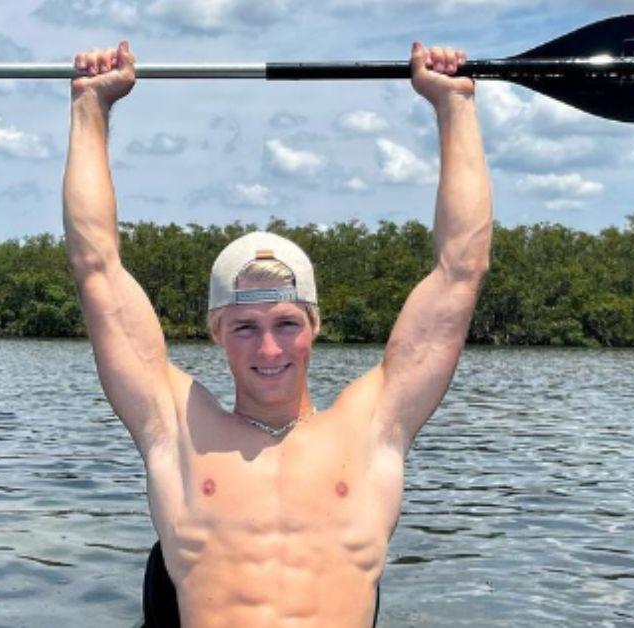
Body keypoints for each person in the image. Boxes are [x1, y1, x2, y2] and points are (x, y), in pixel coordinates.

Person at [63, 39, 492, 628]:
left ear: (315, 326)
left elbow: (460, 271)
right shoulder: (177, 429)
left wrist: (455, 107)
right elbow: (97, 269)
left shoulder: (371, 431)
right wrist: (91, 108)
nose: (268, 349)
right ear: (216, 331)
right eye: (245, 327)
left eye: (286, 323)